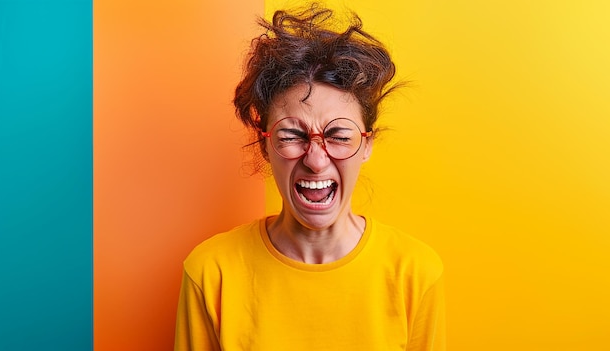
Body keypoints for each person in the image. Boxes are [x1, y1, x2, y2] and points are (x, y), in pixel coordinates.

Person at [175, 4, 445, 351]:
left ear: (366, 145)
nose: (316, 160)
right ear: (265, 145)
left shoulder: (416, 273)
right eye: (292, 136)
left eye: (339, 135)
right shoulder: (211, 272)